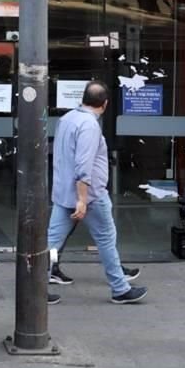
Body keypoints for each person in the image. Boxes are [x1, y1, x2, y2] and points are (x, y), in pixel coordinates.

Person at [48, 81, 148, 304]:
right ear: (104, 104)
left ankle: (35, 289)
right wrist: (82, 200)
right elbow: (83, 165)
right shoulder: (89, 125)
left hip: (63, 193)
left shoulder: (66, 119)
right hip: (90, 196)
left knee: (52, 243)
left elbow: (61, 155)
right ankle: (120, 288)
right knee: (106, 239)